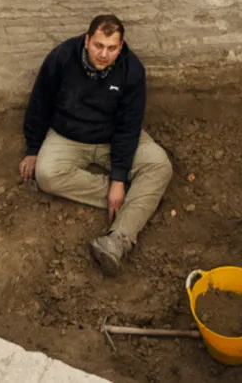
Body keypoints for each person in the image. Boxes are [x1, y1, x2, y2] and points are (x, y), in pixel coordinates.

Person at [19, 14, 172, 276]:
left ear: (120, 46)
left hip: (114, 138)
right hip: (68, 136)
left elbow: (128, 126)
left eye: (112, 48)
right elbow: (39, 103)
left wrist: (118, 176)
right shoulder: (62, 57)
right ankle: (139, 200)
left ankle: (118, 240)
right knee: (45, 175)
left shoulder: (132, 70)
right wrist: (33, 149)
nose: (104, 54)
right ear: (87, 40)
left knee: (160, 165)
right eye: (98, 46)